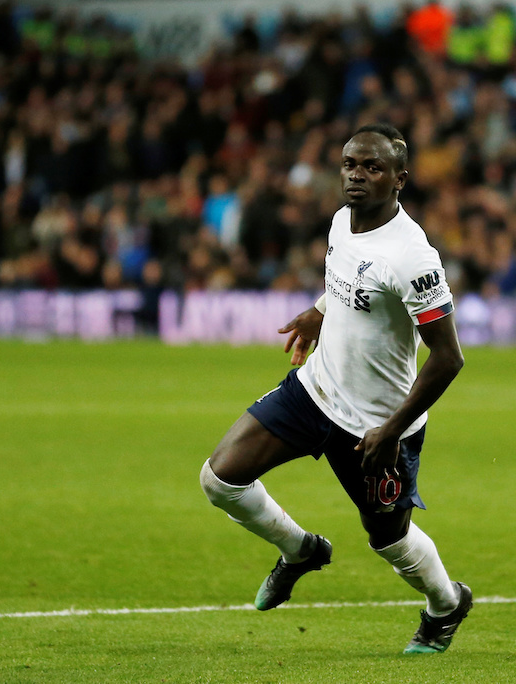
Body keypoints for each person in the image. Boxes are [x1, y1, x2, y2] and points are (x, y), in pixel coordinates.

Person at [200, 123, 471, 654]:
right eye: (350, 164)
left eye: (372, 167)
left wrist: (390, 430)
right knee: (219, 479)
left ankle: (446, 604)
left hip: (377, 424)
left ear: (400, 179)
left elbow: (448, 357)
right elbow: (343, 283)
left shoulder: (412, 257)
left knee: (390, 541)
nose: (356, 175)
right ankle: (300, 550)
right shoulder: (342, 222)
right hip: (315, 390)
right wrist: (317, 313)